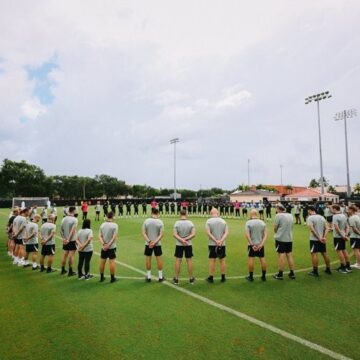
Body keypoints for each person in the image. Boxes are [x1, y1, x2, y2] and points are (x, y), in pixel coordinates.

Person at [306, 206, 331, 276]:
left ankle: (315, 271)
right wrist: (323, 237)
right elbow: (327, 228)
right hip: (322, 239)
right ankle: (328, 269)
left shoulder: (310, 218)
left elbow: (312, 229)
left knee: (314, 254)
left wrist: (319, 238)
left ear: (310, 210)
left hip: (314, 239)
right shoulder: (322, 217)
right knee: (324, 253)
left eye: (308, 211)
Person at [205, 208, 229, 283]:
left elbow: (208, 233)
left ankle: (211, 277)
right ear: (218, 213)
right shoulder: (223, 221)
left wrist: (215, 240)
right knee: (222, 260)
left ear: (211, 213)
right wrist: (221, 240)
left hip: (212, 244)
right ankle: (223, 277)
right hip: (222, 244)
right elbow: (227, 232)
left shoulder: (208, 221)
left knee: (212, 260)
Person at [273, 204, 296, 280]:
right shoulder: (290, 215)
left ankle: (280, 274)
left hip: (281, 238)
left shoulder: (278, 215)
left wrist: (276, 233)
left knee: (281, 255)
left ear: (278, 208)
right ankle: (292, 273)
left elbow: (275, 227)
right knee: (289, 255)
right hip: (289, 238)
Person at [172, 210, 196, 285]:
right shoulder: (190, 223)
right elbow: (193, 234)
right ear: (186, 214)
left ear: (180, 214)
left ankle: (176, 279)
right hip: (188, 244)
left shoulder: (177, 223)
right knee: (189, 260)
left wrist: (182, 240)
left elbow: (174, 234)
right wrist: (186, 240)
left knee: (178, 260)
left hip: (179, 244)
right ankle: (191, 278)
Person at [142, 208, 164, 282]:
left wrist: (149, 241)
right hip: (157, 244)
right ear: (158, 213)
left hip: (148, 244)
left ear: (151, 213)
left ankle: (148, 277)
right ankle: (160, 277)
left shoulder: (146, 221)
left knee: (148, 259)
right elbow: (161, 234)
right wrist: (154, 242)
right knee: (159, 259)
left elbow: (143, 233)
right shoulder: (160, 222)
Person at [245, 209, 267, 281]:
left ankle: (251, 277)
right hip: (260, 244)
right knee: (262, 258)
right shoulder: (262, 222)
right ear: (257, 214)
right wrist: (261, 244)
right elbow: (265, 235)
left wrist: (252, 245)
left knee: (251, 258)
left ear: (251, 214)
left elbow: (247, 235)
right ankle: (263, 276)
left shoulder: (248, 222)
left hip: (252, 245)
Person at [331, 204, 351, 273]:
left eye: (331, 208)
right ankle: (348, 266)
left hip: (338, 236)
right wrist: (345, 235)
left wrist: (342, 236)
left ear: (335, 209)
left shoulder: (335, 216)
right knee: (344, 250)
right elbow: (347, 226)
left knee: (339, 251)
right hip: (343, 235)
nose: (331, 210)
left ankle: (343, 267)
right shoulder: (344, 215)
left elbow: (336, 227)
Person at [99, 212, 118, 283]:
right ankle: (112, 278)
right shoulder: (115, 225)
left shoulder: (102, 224)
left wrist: (104, 244)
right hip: (111, 247)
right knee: (112, 262)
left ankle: (101, 277)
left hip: (104, 247)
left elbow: (99, 236)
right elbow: (114, 237)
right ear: (112, 217)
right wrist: (108, 245)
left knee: (102, 262)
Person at [60, 206, 78, 276]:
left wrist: (64, 238)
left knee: (64, 255)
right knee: (71, 255)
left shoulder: (63, 219)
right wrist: (68, 239)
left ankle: (63, 269)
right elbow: (73, 230)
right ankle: (70, 271)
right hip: (72, 240)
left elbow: (61, 230)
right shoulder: (75, 219)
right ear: (73, 211)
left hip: (65, 240)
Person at [347, 205, 360, 269]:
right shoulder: (357, 216)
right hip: (356, 236)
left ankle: (358, 264)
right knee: (357, 250)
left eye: (348, 209)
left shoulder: (352, 218)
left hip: (355, 237)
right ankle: (358, 263)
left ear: (351, 210)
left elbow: (354, 229)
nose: (347, 211)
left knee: (356, 251)